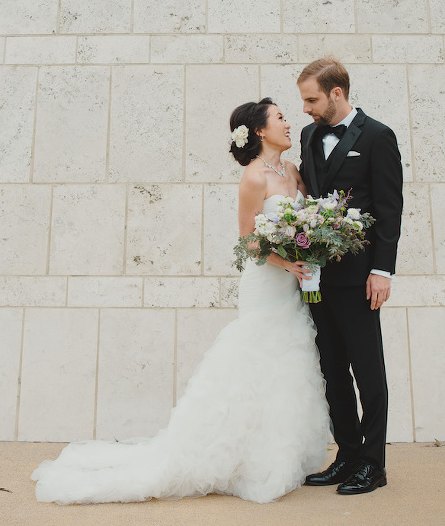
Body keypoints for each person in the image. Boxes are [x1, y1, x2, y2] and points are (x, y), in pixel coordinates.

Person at [32, 98, 329, 504]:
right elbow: (247, 240)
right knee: (256, 362)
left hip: (293, 285)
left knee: (288, 366)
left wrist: (314, 241)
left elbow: (311, 220)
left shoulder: (293, 171)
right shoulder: (253, 177)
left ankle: (274, 453)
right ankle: (231, 456)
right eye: (280, 117)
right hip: (265, 284)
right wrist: (286, 262)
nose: (288, 123)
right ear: (260, 130)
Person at [297, 58, 403, 495]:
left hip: (361, 277)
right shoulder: (308, 135)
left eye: (312, 99)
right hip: (316, 278)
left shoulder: (378, 136)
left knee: (367, 370)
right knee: (333, 370)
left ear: (336, 93)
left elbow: (389, 209)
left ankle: (372, 464)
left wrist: (382, 270)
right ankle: (347, 455)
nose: (305, 109)